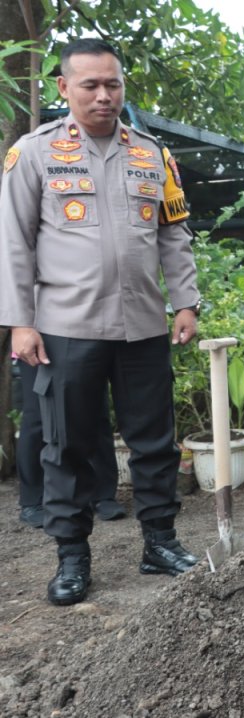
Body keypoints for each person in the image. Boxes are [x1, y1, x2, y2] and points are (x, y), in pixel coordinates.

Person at [0, 38, 202, 606]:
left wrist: (185, 302)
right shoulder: (34, 153)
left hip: (142, 326)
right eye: (90, 85)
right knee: (65, 445)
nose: (103, 95)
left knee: (155, 442)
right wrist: (19, 322)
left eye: (112, 84)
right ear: (64, 87)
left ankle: (160, 543)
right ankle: (72, 556)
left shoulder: (152, 154)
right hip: (64, 328)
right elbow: (13, 242)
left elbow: (173, 233)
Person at [16, 356, 124, 528]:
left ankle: (103, 495)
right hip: (39, 345)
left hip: (87, 344)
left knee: (95, 410)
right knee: (38, 416)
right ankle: (32, 500)